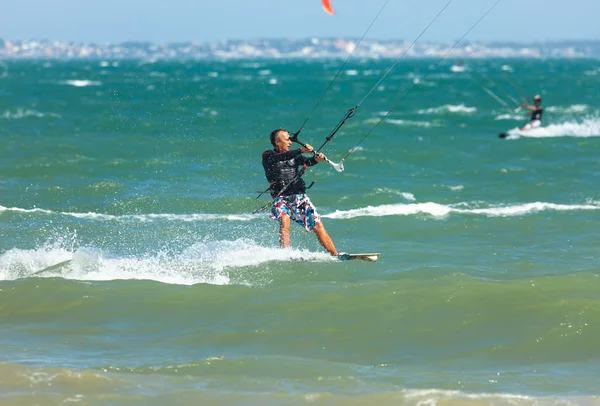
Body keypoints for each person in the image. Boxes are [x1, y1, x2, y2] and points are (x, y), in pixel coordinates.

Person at [262, 128, 339, 256]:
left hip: (299, 197)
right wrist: (301, 150)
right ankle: (284, 255)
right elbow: (280, 157)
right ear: (277, 141)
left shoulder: (294, 156)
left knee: (318, 226)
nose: (290, 142)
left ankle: (336, 255)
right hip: (281, 198)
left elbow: (307, 162)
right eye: (287, 139)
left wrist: (316, 159)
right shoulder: (267, 155)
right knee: (284, 220)